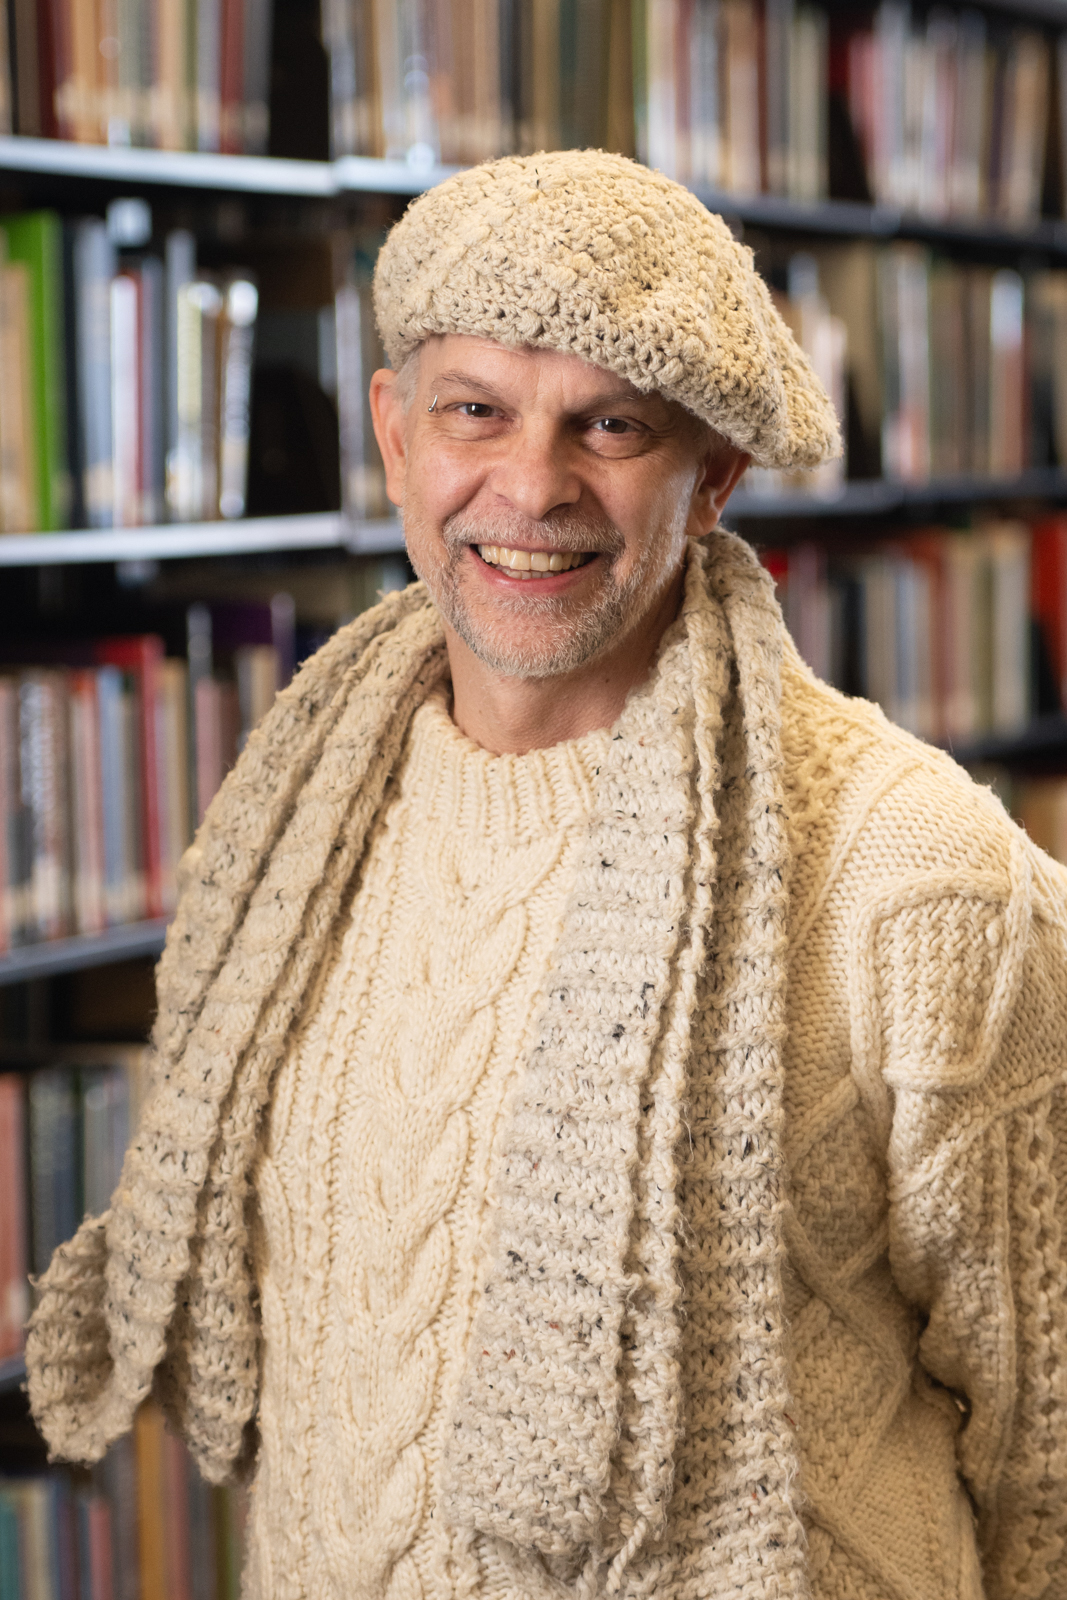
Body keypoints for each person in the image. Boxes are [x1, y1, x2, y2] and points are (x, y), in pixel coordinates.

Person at [26, 151, 1067, 1600]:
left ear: (712, 478)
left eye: (611, 425)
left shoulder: (922, 880)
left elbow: (1051, 1453)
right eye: (475, 411)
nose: (530, 485)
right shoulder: (291, 830)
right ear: (394, 432)